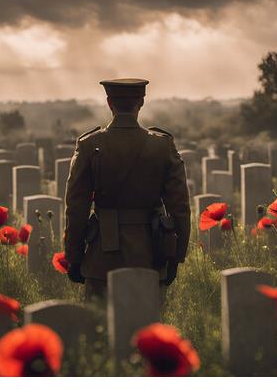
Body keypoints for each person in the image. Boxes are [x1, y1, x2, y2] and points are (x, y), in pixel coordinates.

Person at [63, 78, 191, 304]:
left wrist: (74, 258)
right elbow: (179, 206)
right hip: (152, 254)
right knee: (147, 334)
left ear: (109, 102)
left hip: (101, 257)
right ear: (141, 102)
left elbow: (76, 207)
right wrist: (175, 257)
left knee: (102, 331)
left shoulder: (89, 145)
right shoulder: (162, 145)